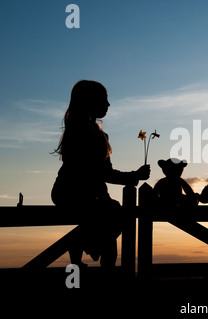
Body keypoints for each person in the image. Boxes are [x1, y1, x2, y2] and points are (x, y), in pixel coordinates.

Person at [52, 80, 150, 268]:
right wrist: (133, 176)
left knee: (111, 221)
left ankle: (83, 253)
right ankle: (86, 252)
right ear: (88, 101)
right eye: (104, 99)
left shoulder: (97, 135)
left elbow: (104, 173)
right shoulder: (81, 133)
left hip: (85, 195)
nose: (108, 104)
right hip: (72, 193)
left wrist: (133, 176)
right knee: (112, 219)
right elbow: (102, 174)